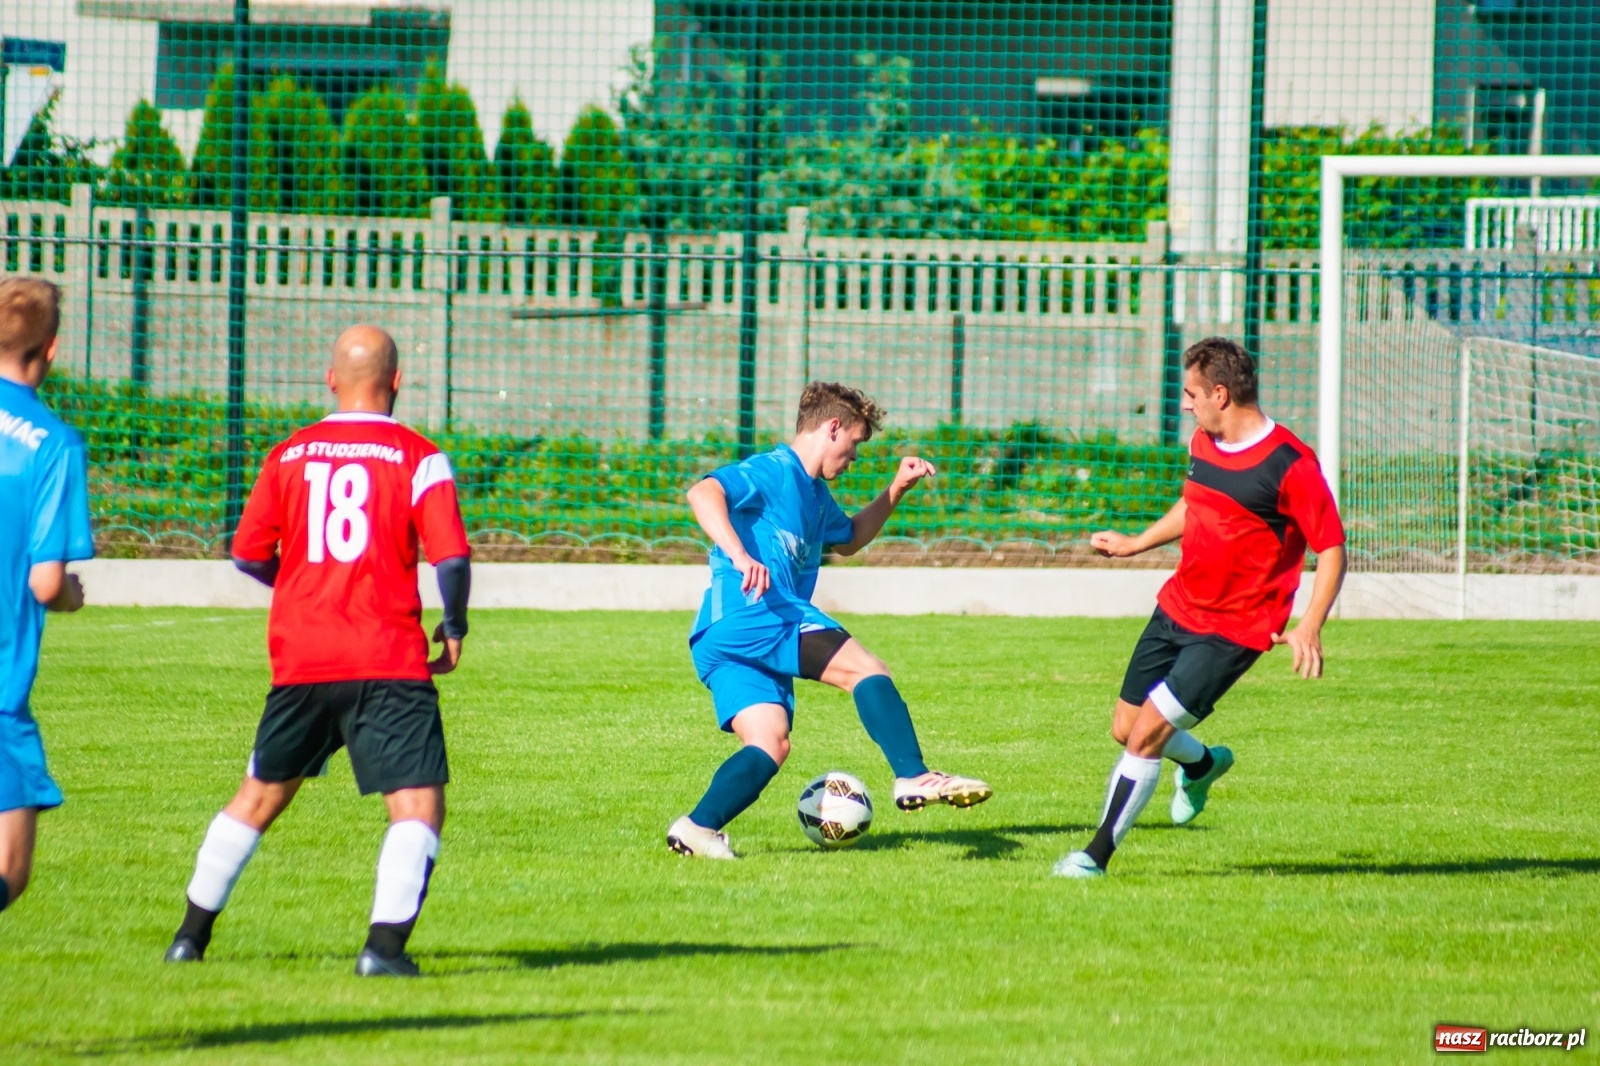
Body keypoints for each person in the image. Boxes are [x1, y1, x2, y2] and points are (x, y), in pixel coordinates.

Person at [163, 325, 472, 975]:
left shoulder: (289, 454)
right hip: (388, 656)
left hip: (302, 658)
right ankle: (382, 953)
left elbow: (248, 554)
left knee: (257, 798)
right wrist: (455, 626)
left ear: (330, 380)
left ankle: (188, 938)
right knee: (415, 807)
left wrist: (300, 586)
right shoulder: (420, 456)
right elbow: (452, 557)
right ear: (397, 381)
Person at [1055, 336, 1346, 878]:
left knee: (1145, 738)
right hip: (1178, 607)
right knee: (1125, 726)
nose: (1184, 404)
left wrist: (1310, 624)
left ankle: (1094, 857)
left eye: (1190, 394)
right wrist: (1136, 542)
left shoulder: (1291, 465)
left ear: (1220, 393)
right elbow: (1195, 503)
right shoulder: (1202, 442)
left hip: (1235, 630)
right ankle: (1204, 764)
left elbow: (1331, 547)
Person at [667, 381, 992, 860]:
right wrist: (739, 556)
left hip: (719, 638)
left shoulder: (815, 495)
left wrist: (896, 489)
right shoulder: (775, 470)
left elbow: (850, 538)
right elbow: (703, 493)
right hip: (758, 611)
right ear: (832, 427)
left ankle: (697, 828)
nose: (855, 456)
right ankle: (914, 774)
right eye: (856, 443)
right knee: (868, 670)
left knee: (770, 743)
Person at [0, 278, 90, 917]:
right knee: (9, 868)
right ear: (51, 350)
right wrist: (71, 597)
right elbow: (46, 581)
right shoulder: (52, 442)